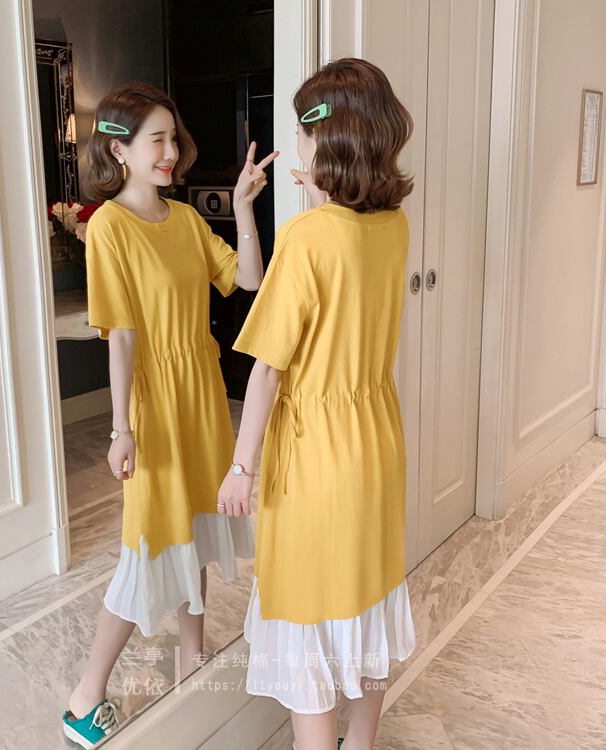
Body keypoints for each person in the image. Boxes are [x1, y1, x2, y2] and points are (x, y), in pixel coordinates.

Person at [61, 81, 277, 748]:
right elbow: (121, 337)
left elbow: (247, 280)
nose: (171, 152)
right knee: (148, 547)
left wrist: (243, 208)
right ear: (119, 150)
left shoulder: (183, 219)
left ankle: (192, 661)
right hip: (154, 403)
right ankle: (84, 697)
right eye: (156, 139)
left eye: (173, 138)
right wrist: (121, 428)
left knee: (197, 533)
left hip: (201, 394)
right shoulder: (109, 228)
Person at [217, 58, 417, 750]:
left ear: (324, 138)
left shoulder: (306, 238)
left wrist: (241, 467)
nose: (296, 147)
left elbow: (268, 371)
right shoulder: (394, 225)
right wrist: (323, 193)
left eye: (302, 134)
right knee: (366, 596)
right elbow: (347, 256)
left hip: (316, 457)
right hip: (376, 443)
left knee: (305, 608)